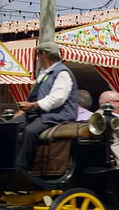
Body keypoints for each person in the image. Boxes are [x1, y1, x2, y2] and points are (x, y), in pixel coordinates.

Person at [13, 42, 78, 170]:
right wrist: (24, 111)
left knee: (30, 131)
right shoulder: (45, 73)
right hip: (38, 114)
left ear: (43, 54)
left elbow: (57, 99)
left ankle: (22, 167)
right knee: (9, 127)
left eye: (38, 55)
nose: (37, 58)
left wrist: (32, 106)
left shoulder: (62, 73)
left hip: (56, 115)